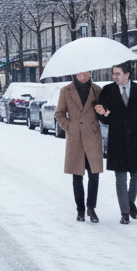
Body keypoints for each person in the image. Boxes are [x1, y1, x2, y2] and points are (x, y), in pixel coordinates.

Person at [95, 63, 137, 225]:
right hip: (117, 139)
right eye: (113, 74)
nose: (114, 77)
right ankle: (125, 213)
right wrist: (103, 113)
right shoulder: (108, 90)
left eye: (117, 74)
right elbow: (105, 119)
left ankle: (130, 202)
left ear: (127, 74)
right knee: (120, 178)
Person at [54, 71, 103, 222]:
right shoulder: (66, 91)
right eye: (81, 74)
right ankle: (80, 210)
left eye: (87, 73)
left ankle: (91, 208)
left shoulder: (97, 90)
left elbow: (103, 112)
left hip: (92, 136)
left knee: (94, 174)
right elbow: (59, 113)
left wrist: (102, 111)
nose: (84, 77)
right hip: (75, 137)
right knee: (77, 175)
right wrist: (69, 126)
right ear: (75, 75)